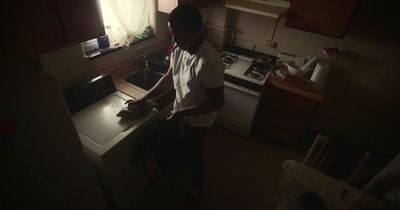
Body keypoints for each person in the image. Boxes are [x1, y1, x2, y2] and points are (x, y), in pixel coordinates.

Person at [127, 3, 224, 198]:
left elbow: (216, 103)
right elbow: (169, 77)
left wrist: (181, 113)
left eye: (177, 34)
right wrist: (144, 98)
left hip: (198, 119)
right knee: (182, 147)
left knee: (195, 153)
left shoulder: (208, 62)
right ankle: (181, 172)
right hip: (181, 110)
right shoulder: (179, 48)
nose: (173, 39)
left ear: (195, 31)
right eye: (172, 33)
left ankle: (196, 189)